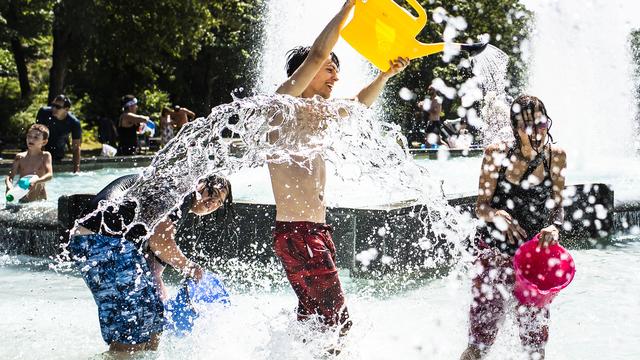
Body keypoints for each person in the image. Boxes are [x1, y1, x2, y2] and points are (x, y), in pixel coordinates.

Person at [269, 0, 409, 340]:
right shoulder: (282, 106)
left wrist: (386, 74)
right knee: (338, 325)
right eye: (329, 69)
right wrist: (350, 6)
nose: (336, 76)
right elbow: (317, 53)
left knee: (314, 320)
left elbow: (360, 104)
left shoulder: (318, 115)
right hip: (300, 234)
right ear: (305, 72)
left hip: (313, 231)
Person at [68, 174, 232, 354]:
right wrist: (190, 267)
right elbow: (160, 242)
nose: (211, 202)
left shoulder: (174, 193)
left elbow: (154, 268)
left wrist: (160, 303)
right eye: (211, 193)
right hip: (101, 241)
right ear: (199, 184)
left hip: (103, 244)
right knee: (133, 332)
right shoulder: (181, 191)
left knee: (154, 323)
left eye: (218, 201)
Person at [460, 95, 567, 360]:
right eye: (529, 126)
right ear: (515, 127)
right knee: (479, 343)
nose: (538, 132)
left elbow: (557, 208)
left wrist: (554, 227)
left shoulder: (556, 157)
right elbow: (480, 206)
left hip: (533, 262)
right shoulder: (496, 154)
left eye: (542, 123)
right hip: (493, 254)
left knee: (535, 345)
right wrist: (495, 214)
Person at [4, 124, 53, 202]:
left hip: (39, 200)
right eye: (29, 136)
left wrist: (36, 181)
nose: (31, 139)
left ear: (44, 142)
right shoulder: (19, 157)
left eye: (36, 137)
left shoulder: (45, 156)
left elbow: (50, 175)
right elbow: (10, 177)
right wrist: (9, 185)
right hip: (22, 198)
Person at [35, 94, 82, 172]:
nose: (53, 108)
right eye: (53, 105)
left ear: (66, 109)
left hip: (58, 152)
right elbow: (38, 136)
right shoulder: (43, 112)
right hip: (42, 148)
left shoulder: (74, 122)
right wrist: (41, 159)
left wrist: (76, 170)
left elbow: (76, 147)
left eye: (58, 107)